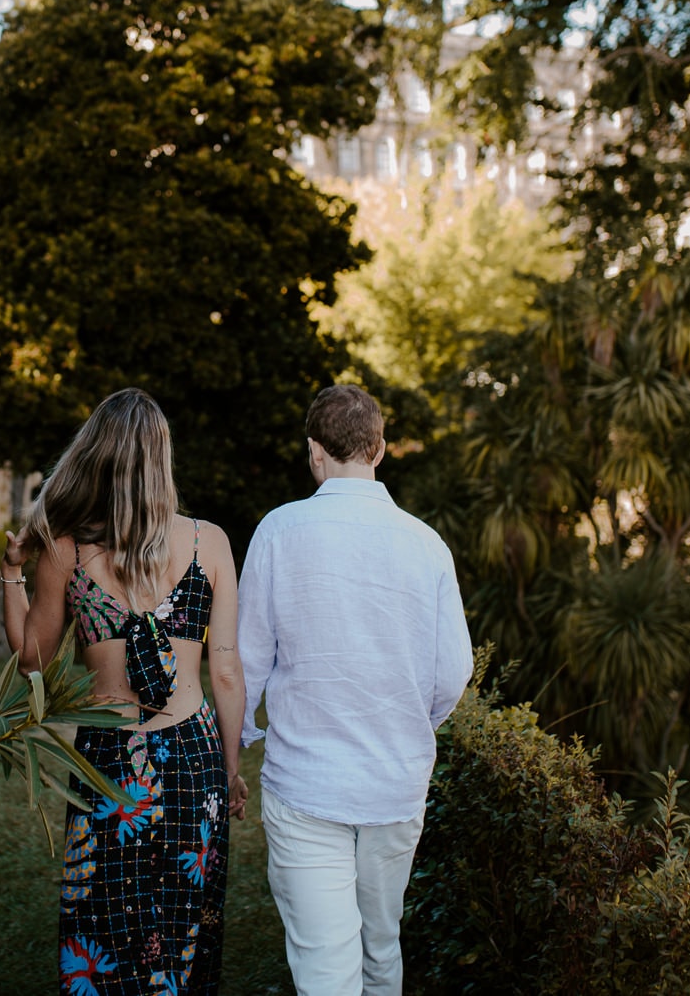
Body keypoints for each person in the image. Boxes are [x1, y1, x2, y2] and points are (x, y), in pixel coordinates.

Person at [0, 387, 247, 996]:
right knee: (186, 920)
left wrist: (12, 571)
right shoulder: (207, 542)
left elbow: (31, 659)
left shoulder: (67, 549)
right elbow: (226, 671)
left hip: (108, 760)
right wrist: (231, 769)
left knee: (104, 921)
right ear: (161, 460)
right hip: (193, 756)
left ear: (97, 457)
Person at [237, 384, 472, 996]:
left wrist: (239, 739)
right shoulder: (427, 544)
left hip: (306, 782)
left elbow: (249, 659)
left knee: (325, 969)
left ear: (315, 453)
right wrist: (408, 725)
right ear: (381, 449)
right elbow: (452, 673)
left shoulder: (278, 531)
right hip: (396, 784)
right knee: (380, 946)